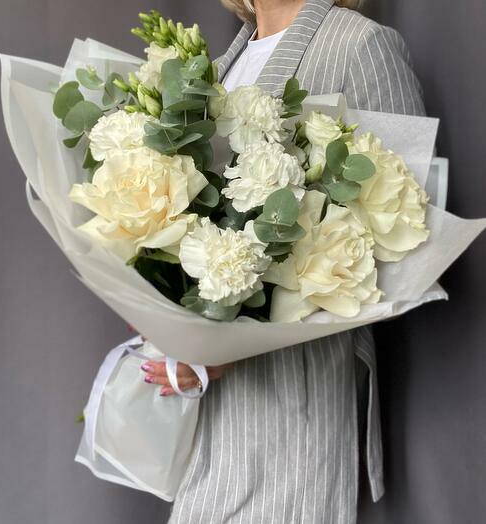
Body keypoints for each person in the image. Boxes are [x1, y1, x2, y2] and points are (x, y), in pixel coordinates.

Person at [141, 1, 425, 522]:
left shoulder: (360, 45)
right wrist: (183, 332)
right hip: (207, 412)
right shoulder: (225, 60)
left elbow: (407, 237)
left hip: (292, 402)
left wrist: (238, 341)